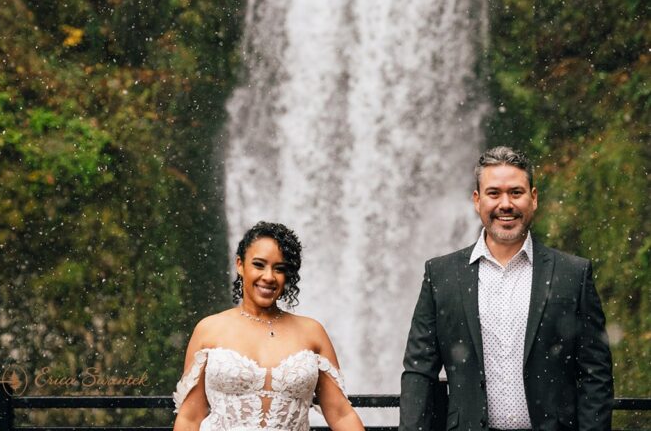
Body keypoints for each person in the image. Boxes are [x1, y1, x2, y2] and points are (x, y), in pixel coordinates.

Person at [400, 146, 613, 431]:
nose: (505, 204)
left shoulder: (573, 274)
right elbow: (419, 372)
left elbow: (595, 374)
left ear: (533, 198)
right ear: (477, 200)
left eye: (516, 192)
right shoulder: (441, 274)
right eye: (493, 193)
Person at [173, 221, 364, 431]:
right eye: (258, 264)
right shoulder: (209, 329)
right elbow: (190, 417)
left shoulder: (312, 332)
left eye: (279, 269)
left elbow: (340, 414)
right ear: (240, 265)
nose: (269, 277)